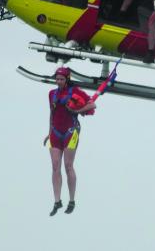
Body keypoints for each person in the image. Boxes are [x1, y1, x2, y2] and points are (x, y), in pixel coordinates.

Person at [45, 66, 96, 216]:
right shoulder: (51, 94)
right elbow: (51, 113)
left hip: (70, 132)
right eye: (57, 79)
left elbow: (92, 104)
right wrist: (48, 132)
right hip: (55, 132)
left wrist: (76, 111)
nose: (58, 82)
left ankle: (72, 200)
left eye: (61, 79)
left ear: (67, 79)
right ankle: (57, 201)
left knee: (68, 166)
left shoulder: (75, 92)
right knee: (55, 166)